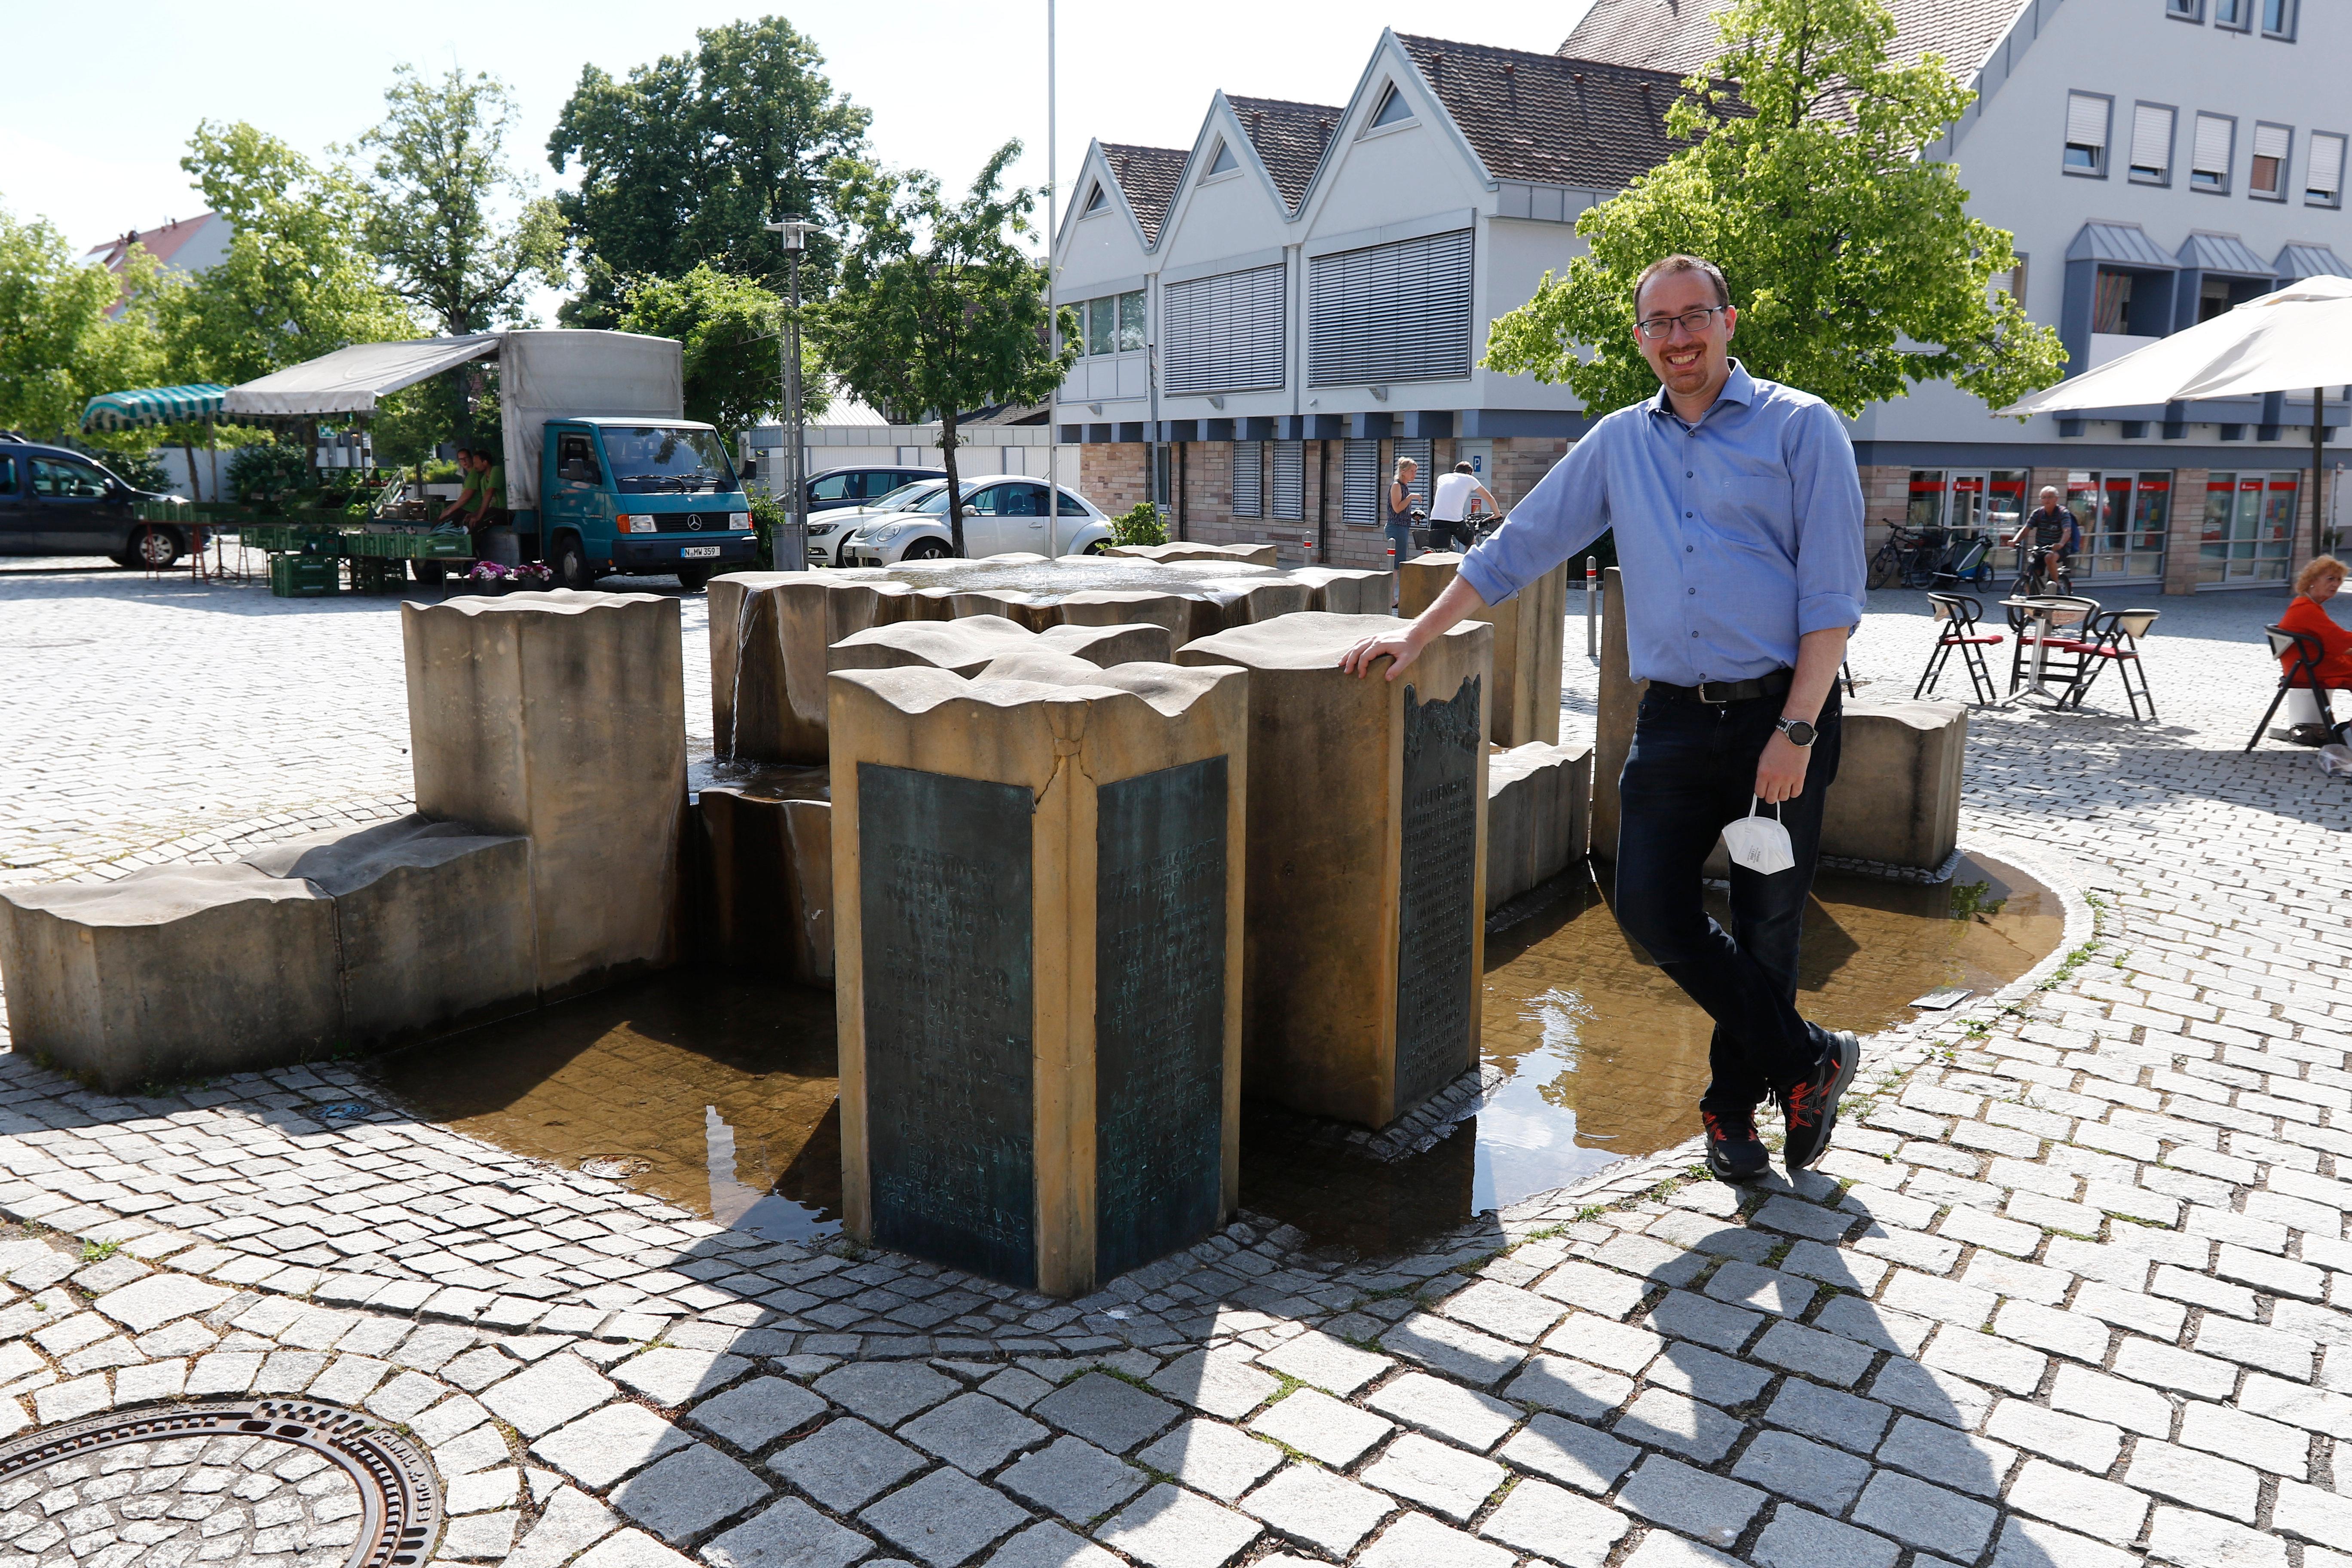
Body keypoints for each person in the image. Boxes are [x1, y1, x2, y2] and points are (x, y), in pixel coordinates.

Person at [1338, 253, 1867, 1184]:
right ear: (1640, 338)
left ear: (1729, 320)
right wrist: (1417, 635)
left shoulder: (1801, 427)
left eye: (1693, 317)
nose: (1678, 338)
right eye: (1658, 324)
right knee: (1649, 909)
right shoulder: (1621, 442)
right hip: (1669, 719)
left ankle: (1729, 1112)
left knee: (1767, 925)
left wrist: (1796, 731)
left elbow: (1832, 596)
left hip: (1778, 717)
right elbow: (1523, 543)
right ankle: (1807, 1059)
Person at [2281, 555, 2352, 740]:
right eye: (2330, 579)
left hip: (2309, 665)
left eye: (2339, 580)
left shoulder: (2305, 605)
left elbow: (2336, 643)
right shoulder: (2307, 609)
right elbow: (2341, 639)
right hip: (2311, 669)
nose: (2336, 585)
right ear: (2312, 581)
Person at [2008, 485, 2078, 592]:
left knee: (2049, 557)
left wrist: (2061, 544)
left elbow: (2067, 531)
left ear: (2056, 499)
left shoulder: (2063, 513)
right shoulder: (2038, 513)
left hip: (2059, 547)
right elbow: (2026, 529)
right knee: (2032, 573)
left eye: (2050, 497)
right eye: (2044, 497)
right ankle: (2031, 600)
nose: (2047, 500)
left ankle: (2057, 586)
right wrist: (2015, 541)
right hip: (2041, 547)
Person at [1427, 461, 1501, 552]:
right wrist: (1497, 514)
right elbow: (1489, 497)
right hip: (1454, 521)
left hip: (1435, 520)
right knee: (1470, 542)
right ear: (1469, 473)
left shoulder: (1442, 477)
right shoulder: (1470, 479)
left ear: (1455, 471)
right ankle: (1467, 565)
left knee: (1436, 550)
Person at [1387, 457, 1424, 565]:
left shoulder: (1404, 486)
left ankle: (1394, 582)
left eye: (1415, 471)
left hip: (1402, 526)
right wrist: (1411, 497)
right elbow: (1397, 509)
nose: (1414, 474)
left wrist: (1412, 515)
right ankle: (1392, 582)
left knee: (1400, 560)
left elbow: (1401, 509)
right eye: (1412, 471)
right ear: (1403, 471)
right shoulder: (1396, 486)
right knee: (1397, 562)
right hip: (1396, 527)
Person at [436, 447, 480, 525]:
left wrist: (449, 511)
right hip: (466, 508)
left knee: (441, 525)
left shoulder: (474, 474)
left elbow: (466, 497)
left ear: (471, 458)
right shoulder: (469, 475)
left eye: (466, 458)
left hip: (470, 509)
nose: (464, 461)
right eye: (461, 459)